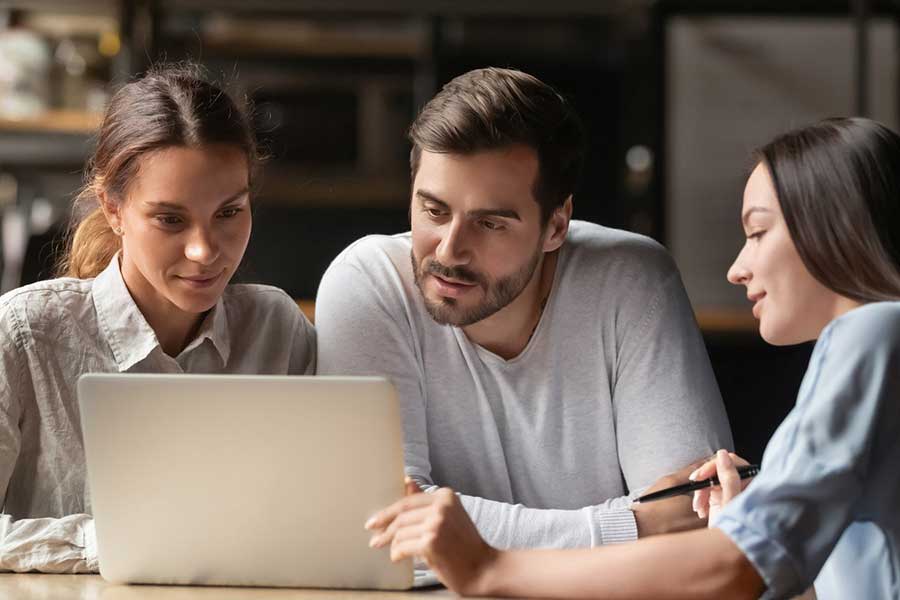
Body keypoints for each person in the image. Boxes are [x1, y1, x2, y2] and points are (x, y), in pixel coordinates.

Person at [365, 117, 900, 600]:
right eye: (433, 210)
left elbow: (732, 571)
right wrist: (746, 524)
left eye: (758, 232)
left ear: (834, 230)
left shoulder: (872, 332)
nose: (737, 269)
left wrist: (491, 569)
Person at [317, 67, 733, 550]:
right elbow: (380, 529)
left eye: (490, 224)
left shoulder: (631, 279)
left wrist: (450, 529)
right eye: (433, 211)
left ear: (556, 226)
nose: (450, 251)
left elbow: (695, 521)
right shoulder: (369, 283)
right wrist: (630, 525)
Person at [0, 63, 316, 573]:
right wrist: (126, 541)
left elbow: (320, 517)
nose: (204, 250)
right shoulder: (24, 333)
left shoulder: (278, 329)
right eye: (170, 219)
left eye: (229, 213)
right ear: (113, 208)